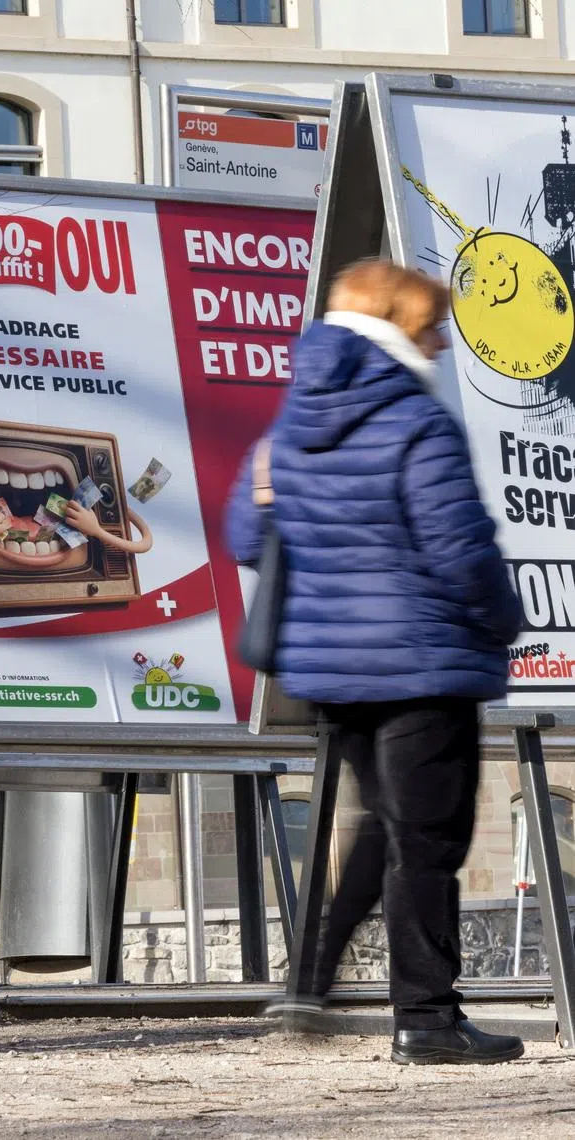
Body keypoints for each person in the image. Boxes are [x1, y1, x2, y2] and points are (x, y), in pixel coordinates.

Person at [227, 259, 524, 1066]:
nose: (439, 345)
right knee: (427, 841)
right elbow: (459, 548)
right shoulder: (416, 422)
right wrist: (507, 620)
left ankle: (313, 977)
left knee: (386, 827)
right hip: (422, 662)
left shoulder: (290, 422)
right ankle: (427, 1019)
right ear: (398, 328)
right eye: (431, 328)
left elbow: (247, 537)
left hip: (329, 666)